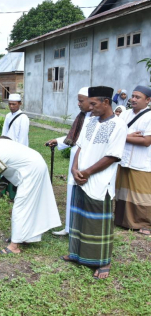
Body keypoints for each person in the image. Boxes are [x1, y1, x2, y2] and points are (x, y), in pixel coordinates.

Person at [60, 86, 127, 280]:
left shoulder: (118, 125)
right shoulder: (90, 121)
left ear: (106, 102)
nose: (90, 107)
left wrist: (88, 172)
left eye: (94, 104)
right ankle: (77, 254)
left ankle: (104, 261)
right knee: (79, 218)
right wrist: (75, 169)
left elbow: (113, 156)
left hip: (100, 180)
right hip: (81, 176)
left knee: (98, 223)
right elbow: (80, 147)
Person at [0, 133, 61, 254]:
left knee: (20, 207)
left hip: (32, 171)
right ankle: (25, 237)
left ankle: (14, 246)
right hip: (33, 165)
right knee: (28, 206)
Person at [46, 87, 92, 236]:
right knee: (71, 191)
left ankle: (81, 229)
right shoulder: (82, 116)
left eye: (81, 101)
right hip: (75, 159)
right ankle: (69, 228)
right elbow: (75, 138)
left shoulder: (97, 119)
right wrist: (58, 141)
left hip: (88, 162)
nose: (78, 104)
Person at [114, 85, 151, 236]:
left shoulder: (149, 116)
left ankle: (145, 224)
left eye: (138, 97)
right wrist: (129, 136)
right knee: (122, 192)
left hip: (141, 161)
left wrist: (123, 136)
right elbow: (114, 133)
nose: (133, 99)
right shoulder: (125, 114)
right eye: (133, 96)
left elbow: (146, 141)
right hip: (123, 159)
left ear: (148, 100)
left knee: (141, 194)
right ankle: (123, 221)